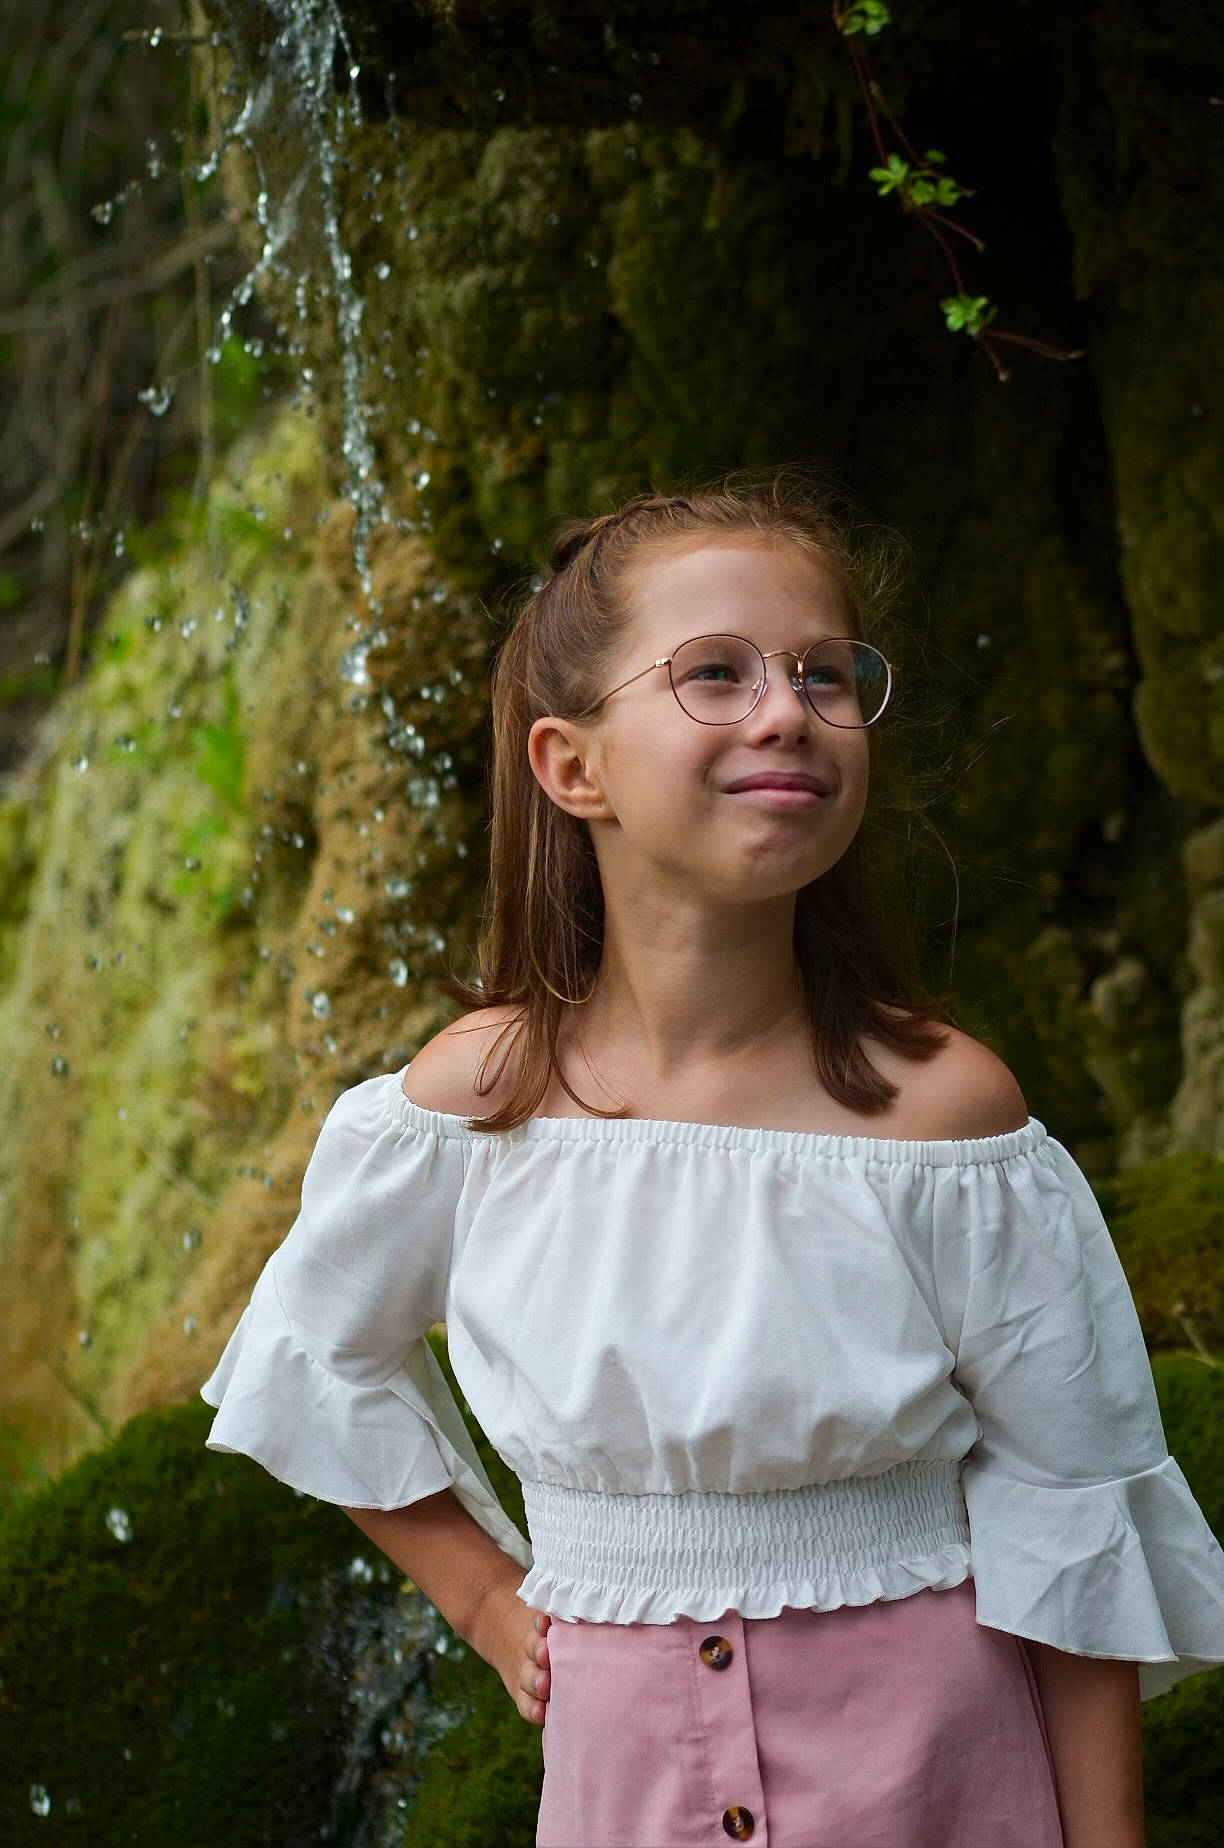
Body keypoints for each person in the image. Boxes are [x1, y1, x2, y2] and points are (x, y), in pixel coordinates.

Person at [201, 480, 1224, 1848]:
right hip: (627, 1797)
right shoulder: (478, 1107)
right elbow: (311, 1353)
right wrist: (483, 1596)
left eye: (825, 673)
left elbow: (1076, 1513)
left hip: (936, 1786)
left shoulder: (944, 1123)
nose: (788, 709)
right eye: (718, 674)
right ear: (573, 766)